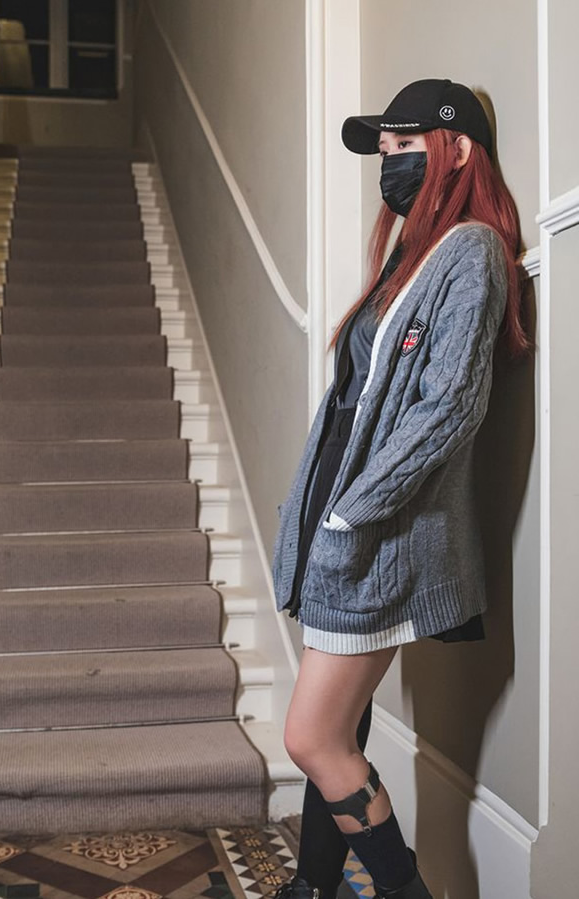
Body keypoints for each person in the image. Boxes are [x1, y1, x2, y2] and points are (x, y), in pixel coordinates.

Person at [271, 78, 533, 899]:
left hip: (375, 532)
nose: (389, 163)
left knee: (312, 737)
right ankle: (313, 886)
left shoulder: (472, 252)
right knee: (338, 725)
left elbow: (448, 406)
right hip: (338, 521)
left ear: (456, 148)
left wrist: (354, 512)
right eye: (383, 150)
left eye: (404, 145)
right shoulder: (408, 260)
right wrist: (318, 512)